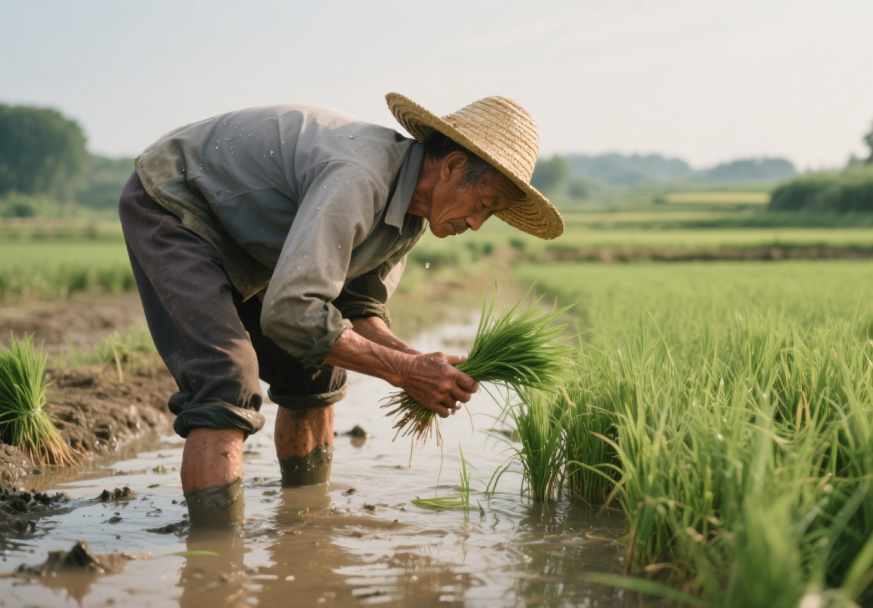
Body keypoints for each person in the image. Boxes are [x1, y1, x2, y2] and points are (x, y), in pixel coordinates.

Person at [118, 93, 564, 525]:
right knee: (225, 378)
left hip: (249, 239)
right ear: (451, 166)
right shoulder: (361, 177)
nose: (475, 223)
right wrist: (404, 372)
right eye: (483, 205)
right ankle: (217, 560)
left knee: (317, 370)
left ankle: (304, 527)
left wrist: (413, 361)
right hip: (178, 204)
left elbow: (356, 308)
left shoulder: (411, 215)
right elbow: (291, 312)